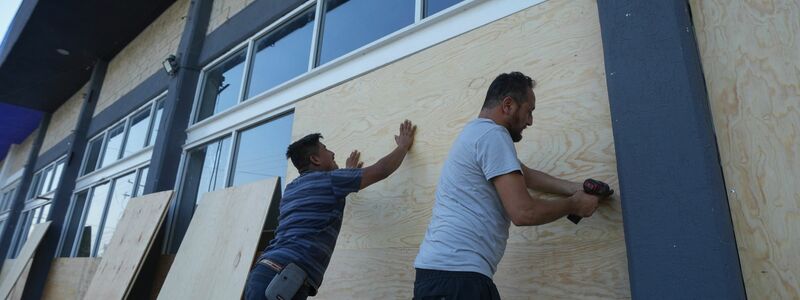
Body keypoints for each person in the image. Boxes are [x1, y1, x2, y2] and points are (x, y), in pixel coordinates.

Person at [413, 72, 612, 299]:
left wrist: (577, 188)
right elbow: (523, 213)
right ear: (508, 105)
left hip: (441, 276)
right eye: (529, 111)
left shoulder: (475, 133)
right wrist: (574, 205)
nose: (530, 121)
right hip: (459, 278)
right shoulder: (493, 135)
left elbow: (526, 175)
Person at [245, 120, 417, 300]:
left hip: (264, 274)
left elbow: (321, 202)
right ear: (315, 159)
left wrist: (348, 174)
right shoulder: (331, 181)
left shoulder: (292, 189)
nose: (333, 153)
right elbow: (381, 170)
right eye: (326, 149)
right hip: (281, 281)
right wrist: (403, 147)